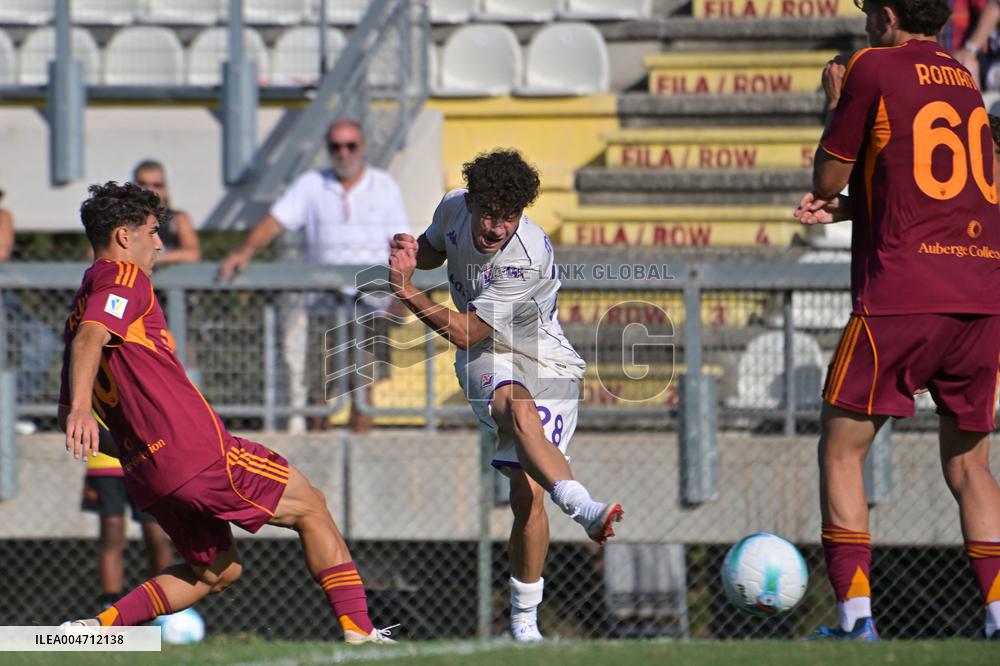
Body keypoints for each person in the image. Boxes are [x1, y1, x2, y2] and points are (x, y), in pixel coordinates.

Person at [60, 182, 394, 644]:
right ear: (123, 236)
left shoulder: (79, 305)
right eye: (154, 232)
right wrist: (83, 409)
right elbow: (90, 342)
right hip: (195, 451)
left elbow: (74, 386)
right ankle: (361, 631)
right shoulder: (123, 277)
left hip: (150, 472)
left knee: (217, 570)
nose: (159, 244)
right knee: (311, 507)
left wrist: (134, 449)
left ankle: (94, 630)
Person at [795, 0, 1000, 640]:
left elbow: (827, 177)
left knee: (841, 448)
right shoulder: (965, 77)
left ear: (886, 13)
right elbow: (940, 185)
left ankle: (858, 620)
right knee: (970, 465)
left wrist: (835, 101)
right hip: (981, 293)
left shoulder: (873, 67)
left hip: (902, 295)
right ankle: (998, 619)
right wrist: (863, 210)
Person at [387, 149, 623, 642]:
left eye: (509, 217)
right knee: (517, 415)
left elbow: (466, 330)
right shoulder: (453, 206)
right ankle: (584, 508)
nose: (497, 228)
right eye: (490, 213)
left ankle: (524, 622)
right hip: (488, 356)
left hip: (546, 359)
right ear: (471, 201)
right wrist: (413, 253)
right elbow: (438, 248)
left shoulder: (528, 253)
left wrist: (407, 291)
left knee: (529, 494)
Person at [219, 119, 409, 434]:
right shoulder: (311, 184)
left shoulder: (384, 185)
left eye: (351, 146)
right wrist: (245, 250)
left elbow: (400, 239)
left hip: (371, 303)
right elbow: (275, 221)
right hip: (323, 303)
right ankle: (320, 462)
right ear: (328, 150)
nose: (344, 153)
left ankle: (359, 460)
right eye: (336, 146)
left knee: (364, 389)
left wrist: (403, 291)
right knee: (319, 390)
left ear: (362, 148)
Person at [82, 445, 174, 611]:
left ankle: (162, 600)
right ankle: (114, 606)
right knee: (118, 533)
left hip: (137, 463)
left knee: (152, 531)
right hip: (116, 463)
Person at [0, 191, 60, 435]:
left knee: (42, 342)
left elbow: (2, 251)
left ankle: (10, 407)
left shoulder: (3, 216)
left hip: (4, 296)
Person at [131, 160, 200, 266]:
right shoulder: (121, 218)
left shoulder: (178, 219)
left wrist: (153, 258)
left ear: (165, 189)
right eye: (142, 184)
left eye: (157, 185)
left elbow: (193, 254)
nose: (149, 189)